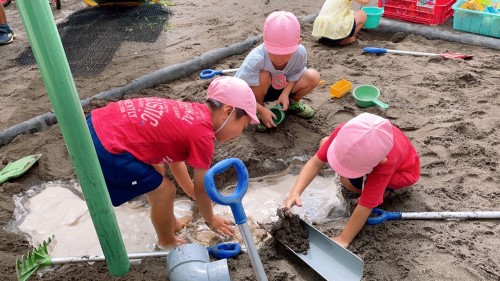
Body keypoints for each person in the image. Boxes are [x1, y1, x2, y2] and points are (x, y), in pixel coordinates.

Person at [86, 76, 260, 249]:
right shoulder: (203, 136)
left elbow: (175, 162)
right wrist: (211, 218)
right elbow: (203, 189)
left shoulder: (191, 112)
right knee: (165, 191)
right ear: (227, 112)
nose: (239, 133)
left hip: (97, 123)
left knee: (157, 172)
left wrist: (192, 192)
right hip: (107, 145)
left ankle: (171, 224)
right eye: (243, 127)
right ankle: (166, 242)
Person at [283, 113, 420, 248]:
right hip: (382, 159)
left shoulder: (386, 164)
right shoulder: (346, 130)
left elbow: (366, 204)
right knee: (325, 142)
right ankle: (361, 179)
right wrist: (295, 193)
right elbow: (315, 163)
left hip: (403, 173)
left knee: (347, 182)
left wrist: (343, 238)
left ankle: (384, 192)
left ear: (379, 162)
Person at [235, 11, 320, 131]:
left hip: (283, 86)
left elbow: (297, 73)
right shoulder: (256, 59)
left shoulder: (300, 53)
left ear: (298, 43)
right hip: (258, 92)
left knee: (313, 76)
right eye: (274, 52)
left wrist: (285, 94)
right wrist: (261, 110)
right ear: (264, 41)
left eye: (286, 53)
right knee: (263, 75)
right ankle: (257, 111)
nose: (280, 58)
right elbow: (239, 91)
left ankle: (291, 103)